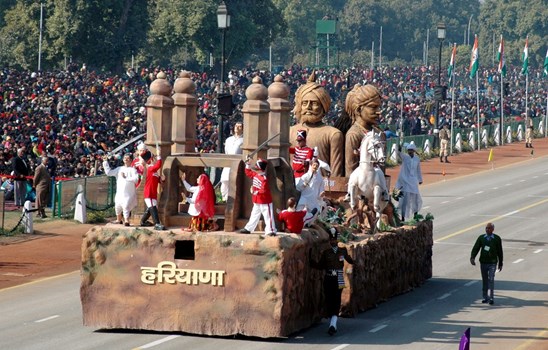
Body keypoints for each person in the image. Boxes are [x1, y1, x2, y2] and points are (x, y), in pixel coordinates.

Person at [290, 71, 344, 177]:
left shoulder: (333, 134)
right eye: (305, 103)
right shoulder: (290, 131)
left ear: (323, 106)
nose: (308, 107)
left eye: (314, 103)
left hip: (320, 188)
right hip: (293, 186)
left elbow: (336, 173)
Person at [310, 228, 354, 336]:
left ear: (337, 240)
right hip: (329, 276)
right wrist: (311, 261)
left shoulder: (342, 251)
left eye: (334, 239)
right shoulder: (326, 253)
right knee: (329, 299)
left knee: (336, 300)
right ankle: (332, 321)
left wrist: (351, 258)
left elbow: (350, 260)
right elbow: (320, 266)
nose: (333, 242)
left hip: (339, 276)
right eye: (331, 240)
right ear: (329, 241)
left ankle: (333, 325)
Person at [344, 84, 385, 175]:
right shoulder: (354, 135)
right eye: (373, 107)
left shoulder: (379, 133)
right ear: (358, 110)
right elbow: (351, 172)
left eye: (379, 107)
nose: (378, 112)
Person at [239, 158, 277, 236]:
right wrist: (248, 164)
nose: (255, 168)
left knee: (268, 216)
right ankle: (249, 228)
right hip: (257, 200)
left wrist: (254, 191)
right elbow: (248, 172)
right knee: (254, 215)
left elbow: (263, 190)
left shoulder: (264, 179)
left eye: (257, 166)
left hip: (265, 201)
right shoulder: (256, 175)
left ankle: (271, 230)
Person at [470, 222, 503, 305]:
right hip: (483, 262)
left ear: (493, 229)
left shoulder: (497, 238)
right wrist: (472, 257)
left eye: (489, 228)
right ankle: (485, 297)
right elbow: (476, 248)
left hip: (492, 263)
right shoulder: (481, 238)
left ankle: (491, 298)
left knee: (491, 279)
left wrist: (500, 263)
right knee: (485, 280)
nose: (487, 229)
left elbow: (500, 251)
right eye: (486, 228)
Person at [103, 153, 139, 226]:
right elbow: (109, 173)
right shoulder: (119, 169)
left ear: (131, 160)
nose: (126, 159)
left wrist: (126, 177)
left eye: (128, 158)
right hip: (120, 192)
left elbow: (136, 179)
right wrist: (105, 162)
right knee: (117, 205)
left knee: (126, 205)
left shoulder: (133, 170)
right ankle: (119, 220)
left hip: (128, 192)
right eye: (124, 158)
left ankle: (126, 221)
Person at [395, 143, 423, 221]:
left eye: (411, 150)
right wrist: (399, 146)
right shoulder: (405, 157)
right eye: (408, 150)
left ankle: (416, 216)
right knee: (405, 200)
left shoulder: (417, 159)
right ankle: (403, 217)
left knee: (415, 199)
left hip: (413, 182)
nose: (409, 151)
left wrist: (420, 179)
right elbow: (399, 153)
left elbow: (418, 170)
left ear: (414, 151)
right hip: (405, 181)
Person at [140, 148, 166, 230]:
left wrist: (162, 180)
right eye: (154, 158)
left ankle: (143, 221)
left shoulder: (153, 170)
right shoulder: (151, 168)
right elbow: (158, 165)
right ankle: (157, 224)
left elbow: (159, 180)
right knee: (153, 207)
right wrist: (159, 155)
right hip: (149, 193)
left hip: (152, 193)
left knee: (151, 207)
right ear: (151, 159)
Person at [296, 158, 324, 227]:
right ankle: (298, 223)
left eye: (316, 165)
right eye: (314, 165)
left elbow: (321, 189)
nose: (315, 167)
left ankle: (307, 224)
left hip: (313, 198)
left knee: (314, 211)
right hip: (305, 196)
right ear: (311, 165)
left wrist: (321, 194)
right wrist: (303, 185)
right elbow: (298, 187)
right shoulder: (305, 176)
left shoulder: (320, 178)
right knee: (299, 211)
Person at [220, 122, 243, 201]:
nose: (237, 128)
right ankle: (224, 200)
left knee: (234, 184)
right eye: (236, 126)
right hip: (227, 164)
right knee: (224, 184)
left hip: (237, 165)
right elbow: (226, 152)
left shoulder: (243, 140)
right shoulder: (228, 140)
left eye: (240, 126)